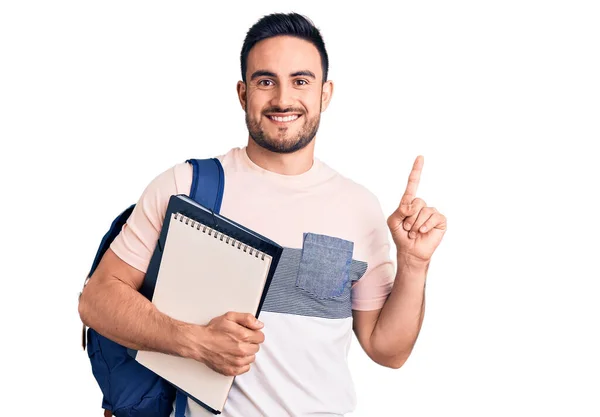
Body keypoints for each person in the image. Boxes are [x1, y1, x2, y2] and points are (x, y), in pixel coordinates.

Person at [78, 12, 447, 417]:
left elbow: (387, 350)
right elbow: (97, 301)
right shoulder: (186, 187)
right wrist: (194, 341)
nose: (283, 99)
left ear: (325, 94)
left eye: (300, 81)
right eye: (265, 81)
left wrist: (414, 264)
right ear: (242, 93)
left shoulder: (359, 207)